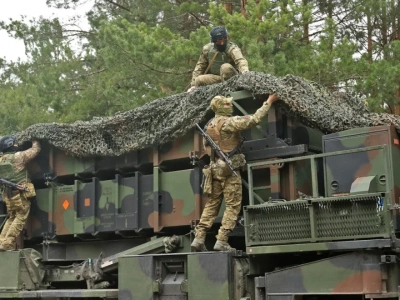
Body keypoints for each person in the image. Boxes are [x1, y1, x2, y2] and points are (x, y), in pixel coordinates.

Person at [191, 93, 279, 252]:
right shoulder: (228, 123)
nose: (230, 105)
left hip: (214, 170)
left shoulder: (209, 125)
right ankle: (222, 241)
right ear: (220, 107)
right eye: (226, 104)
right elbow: (254, 120)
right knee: (232, 206)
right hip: (229, 171)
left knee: (211, 205)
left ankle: (199, 238)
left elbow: (208, 148)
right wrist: (268, 102)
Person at [0, 136, 41, 250]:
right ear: (11, 145)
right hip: (20, 193)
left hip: (8, 194)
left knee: (11, 217)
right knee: (20, 217)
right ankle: (7, 243)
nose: (17, 145)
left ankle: (2, 241)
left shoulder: (1, 159)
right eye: (15, 143)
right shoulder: (18, 157)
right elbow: (35, 150)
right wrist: (35, 138)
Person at [187, 26, 249, 93]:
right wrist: (193, 85)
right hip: (217, 79)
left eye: (224, 39)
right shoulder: (207, 49)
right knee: (199, 79)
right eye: (219, 41)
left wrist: (245, 72)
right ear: (213, 41)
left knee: (225, 67)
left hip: (232, 79)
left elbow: (241, 61)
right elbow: (199, 67)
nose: (222, 43)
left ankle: (229, 89)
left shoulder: (232, 49)